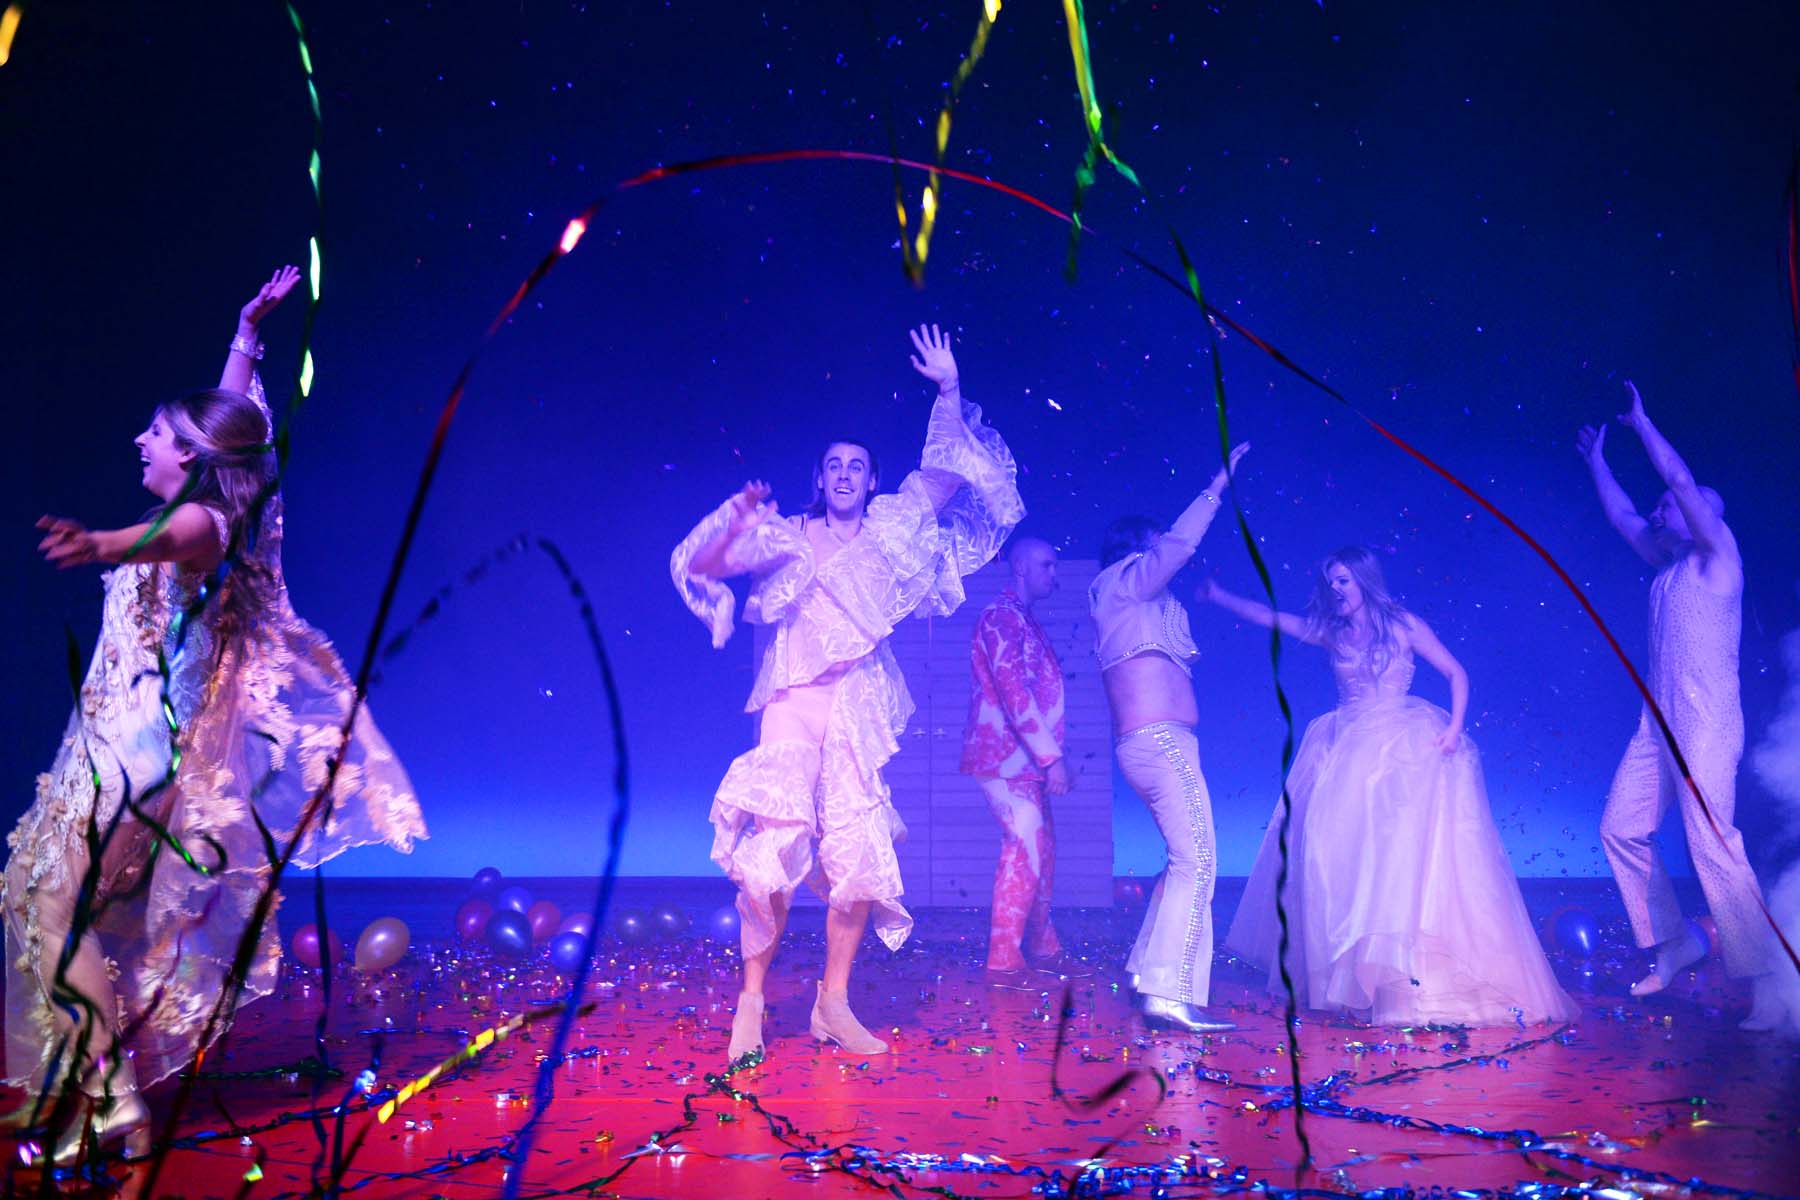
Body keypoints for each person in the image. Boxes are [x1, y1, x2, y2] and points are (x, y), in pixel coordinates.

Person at [6, 267, 427, 1161]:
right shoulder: (234, 499)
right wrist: (245, 337)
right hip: (111, 752)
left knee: (55, 911)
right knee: (48, 907)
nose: (139, 440)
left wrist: (103, 542)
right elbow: (234, 434)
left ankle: (112, 1098)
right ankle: (85, 1086)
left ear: (193, 461)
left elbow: (166, 534)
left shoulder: (205, 528)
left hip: (132, 765)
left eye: (156, 434)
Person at [672, 324, 1022, 1065]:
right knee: (774, 856)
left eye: (856, 466)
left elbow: (945, 475)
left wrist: (950, 388)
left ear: (870, 480)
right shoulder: (788, 535)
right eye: (833, 465)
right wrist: (733, 529)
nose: (843, 475)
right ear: (819, 477)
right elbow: (701, 559)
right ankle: (751, 1003)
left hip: (856, 708)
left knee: (857, 862)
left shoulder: (892, 528)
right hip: (794, 705)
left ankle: (832, 1004)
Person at [1206, 548, 1576, 1026]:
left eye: (1343, 580)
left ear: (1363, 580)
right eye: (1330, 582)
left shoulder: (1404, 625)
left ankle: (1396, 983)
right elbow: (1274, 618)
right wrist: (1220, 597)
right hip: (1344, 751)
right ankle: (1347, 979)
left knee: (1393, 864)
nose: (1335, 589)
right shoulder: (1333, 631)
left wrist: (1454, 728)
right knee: (1331, 856)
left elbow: (1455, 672)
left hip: (1401, 750)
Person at [1578, 381, 1781, 1026]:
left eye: (1670, 505)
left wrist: (1641, 424)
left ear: (1702, 517)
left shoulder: (1718, 558)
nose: (1659, 508)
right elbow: (1622, 517)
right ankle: (1675, 943)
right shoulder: (1665, 566)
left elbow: (1681, 481)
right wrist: (1598, 462)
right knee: (1619, 827)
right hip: (1656, 722)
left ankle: (1765, 980)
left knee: (1713, 842)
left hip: (1707, 722)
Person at [1090, 443, 1248, 1034]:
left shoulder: (1125, 598)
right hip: (1161, 742)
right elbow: (1179, 545)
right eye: (1153, 546)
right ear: (1138, 548)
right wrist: (1217, 487)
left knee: (1183, 860)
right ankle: (1169, 991)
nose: (1163, 557)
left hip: (1155, 743)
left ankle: (1144, 972)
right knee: (1199, 861)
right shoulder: (1124, 583)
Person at [959, 537, 1087, 985]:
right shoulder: (1002, 616)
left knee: (1041, 851)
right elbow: (1014, 692)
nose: (1055, 574)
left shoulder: (1021, 619)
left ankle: (1041, 946)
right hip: (1004, 754)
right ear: (1020, 568)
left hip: (1023, 757)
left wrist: (1051, 757)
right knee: (1025, 846)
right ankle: (1003, 958)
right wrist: (1052, 758)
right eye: (1047, 565)